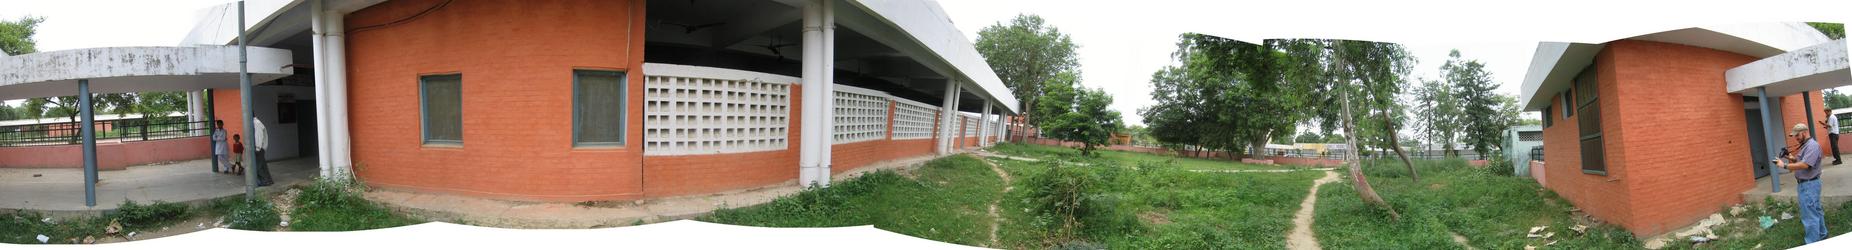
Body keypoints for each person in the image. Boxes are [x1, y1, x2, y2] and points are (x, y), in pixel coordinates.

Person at [1774, 123, 1827, 243]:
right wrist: (1791, 158)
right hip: (1808, 184)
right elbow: (1802, 160)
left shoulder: (1812, 146)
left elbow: (1805, 164)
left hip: (1809, 185)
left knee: (1809, 216)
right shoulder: (1806, 145)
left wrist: (1784, 165)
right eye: (1794, 136)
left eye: (1797, 135)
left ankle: (1812, 242)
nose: (1796, 138)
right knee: (1816, 211)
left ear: (1804, 132)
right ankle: (1822, 235)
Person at [253, 118, 272, 186]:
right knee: (263, 166)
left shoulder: (257, 123)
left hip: (259, 148)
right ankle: (268, 180)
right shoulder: (255, 123)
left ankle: (265, 181)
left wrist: (257, 148)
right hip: (260, 148)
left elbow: (258, 136)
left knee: (258, 167)